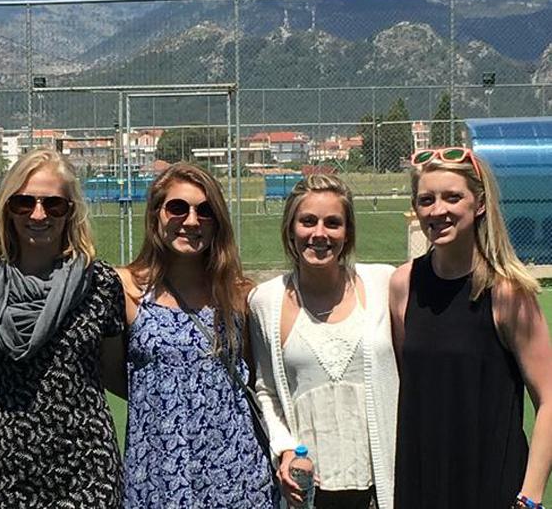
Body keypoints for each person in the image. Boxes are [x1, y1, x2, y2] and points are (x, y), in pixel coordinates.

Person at [0, 148, 125, 508]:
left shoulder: (100, 283)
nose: (38, 214)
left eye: (54, 205)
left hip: (89, 475)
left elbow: (112, 374)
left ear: (70, 212)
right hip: (7, 476)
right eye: (24, 203)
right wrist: (0, 408)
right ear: (7, 207)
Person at [391, 147, 552, 509]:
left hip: (492, 487)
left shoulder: (508, 292)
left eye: (452, 197)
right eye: (426, 199)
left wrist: (530, 496)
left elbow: (549, 398)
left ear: (478, 204)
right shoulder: (404, 283)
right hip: (421, 486)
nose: (437, 210)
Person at [117, 162, 279, 508]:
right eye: (178, 207)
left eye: (205, 211)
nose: (191, 221)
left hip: (236, 474)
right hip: (158, 472)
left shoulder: (239, 296)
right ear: (156, 214)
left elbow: (256, 374)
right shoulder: (127, 290)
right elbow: (111, 372)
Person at [248, 174, 398, 509]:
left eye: (333, 223)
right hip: (310, 492)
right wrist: (285, 450)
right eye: (308, 221)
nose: (320, 233)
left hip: (381, 487)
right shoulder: (265, 302)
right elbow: (265, 390)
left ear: (347, 233)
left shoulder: (384, 284)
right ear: (291, 229)